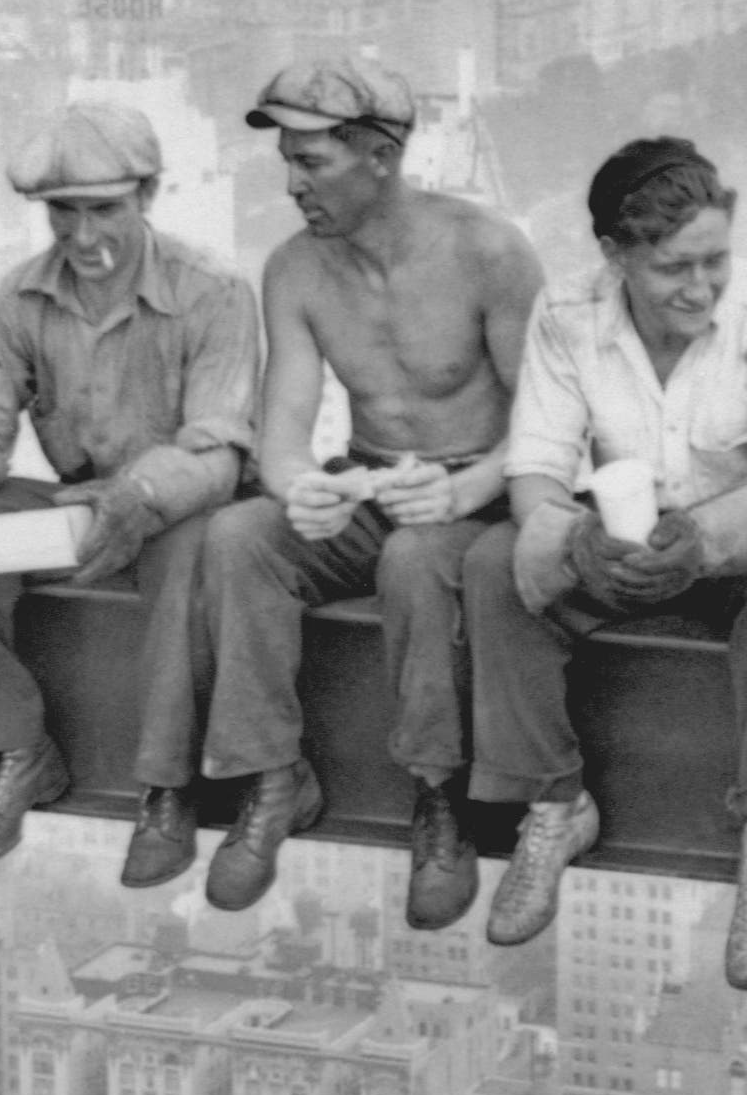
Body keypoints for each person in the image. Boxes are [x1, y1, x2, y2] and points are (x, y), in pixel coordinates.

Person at [191, 56, 542, 921]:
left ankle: (438, 799)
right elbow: (283, 433)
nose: (292, 184)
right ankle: (275, 776)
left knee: (418, 561)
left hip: (481, 491)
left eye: (313, 163)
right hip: (371, 478)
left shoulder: (490, 251)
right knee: (239, 537)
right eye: (288, 161)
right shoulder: (296, 270)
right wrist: (301, 487)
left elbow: (548, 424)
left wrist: (465, 493)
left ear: (380, 155)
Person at [472, 139, 747, 968]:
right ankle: (555, 803)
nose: (700, 288)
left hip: (737, 542)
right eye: (673, 268)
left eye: (715, 261)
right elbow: (535, 470)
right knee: (494, 566)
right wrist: (580, 541)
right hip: (624, 537)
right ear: (614, 255)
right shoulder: (565, 315)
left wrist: (703, 543)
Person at [0, 100, 257, 878]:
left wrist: (137, 497)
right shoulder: (22, 297)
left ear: (148, 196)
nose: (84, 237)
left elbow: (217, 450)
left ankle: (165, 785)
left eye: (104, 211)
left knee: (192, 554)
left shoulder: (213, 292)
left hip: (177, 504)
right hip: (79, 508)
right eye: (65, 213)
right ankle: (19, 746)